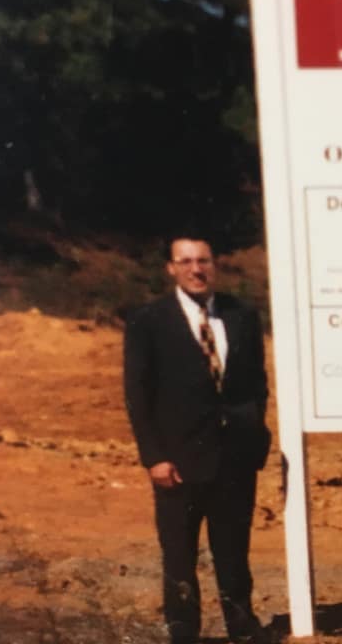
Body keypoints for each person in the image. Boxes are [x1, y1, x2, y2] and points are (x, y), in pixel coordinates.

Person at [124, 233, 272, 644]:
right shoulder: (148, 321)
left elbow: (257, 384)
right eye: (186, 261)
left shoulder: (242, 315)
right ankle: (184, 632)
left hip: (234, 458)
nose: (196, 269)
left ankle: (241, 627)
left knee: (234, 551)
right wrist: (154, 457)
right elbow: (137, 394)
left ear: (215, 265)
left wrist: (252, 432)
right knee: (179, 555)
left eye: (203, 260)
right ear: (171, 268)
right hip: (178, 461)